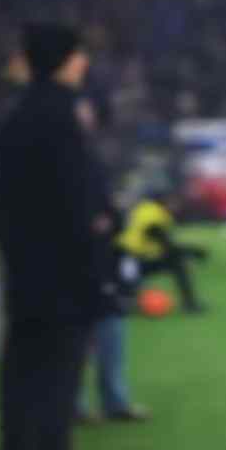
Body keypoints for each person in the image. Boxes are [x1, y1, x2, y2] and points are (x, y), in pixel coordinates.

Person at [0, 23, 117, 450]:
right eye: (79, 54)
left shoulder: (15, 115)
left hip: (24, 273)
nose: (84, 63)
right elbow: (78, 202)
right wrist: (98, 239)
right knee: (58, 388)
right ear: (65, 58)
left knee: (20, 382)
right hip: (63, 276)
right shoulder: (61, 116)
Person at [74, 98, 149, 423]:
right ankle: (77, 404)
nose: (87, 117)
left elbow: (108, 207)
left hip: (102, 257)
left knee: (110, 327)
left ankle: (114, 401)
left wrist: (112, 219)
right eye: (81, 112)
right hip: (75, 257)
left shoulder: (91, 156)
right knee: (79, 334)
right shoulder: (62, 158)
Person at [118, 191, 208, 313]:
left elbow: (162, 245)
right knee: (126, 294)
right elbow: (165, 244)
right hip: (128, 259)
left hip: (135, 258)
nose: (177, 207)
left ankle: (190, 304)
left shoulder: (148, 209)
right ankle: (189, 304)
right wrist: (193, 252)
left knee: (176, 262)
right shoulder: (153, 215)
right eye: (175, 203)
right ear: (167, 201)